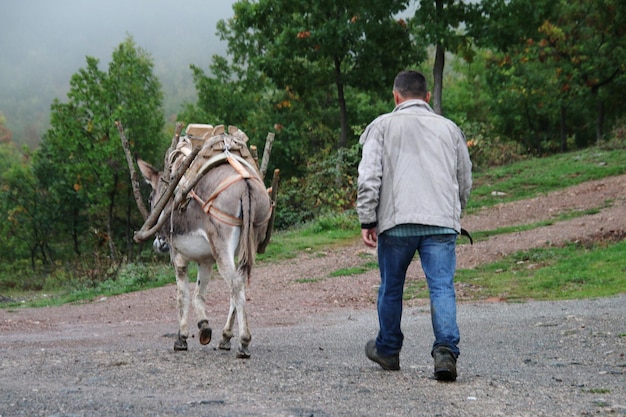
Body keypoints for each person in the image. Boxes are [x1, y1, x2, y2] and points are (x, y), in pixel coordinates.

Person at [356, 70, 472, 381]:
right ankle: (445, 352)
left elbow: (368, 178)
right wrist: (453, 212)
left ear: (396, 96)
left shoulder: (381, 126)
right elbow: (464, 179)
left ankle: (389, 350)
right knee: (442, 287)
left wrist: (368, 219)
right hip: (440, 224)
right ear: (428, 97)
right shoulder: (450, 129)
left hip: (397, 224)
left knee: (391, 287)